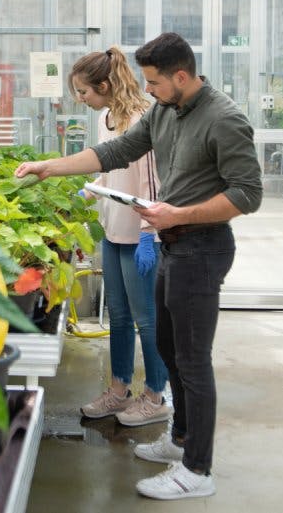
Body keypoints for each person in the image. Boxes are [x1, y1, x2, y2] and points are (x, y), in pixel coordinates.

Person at [15, 32, 262, 501]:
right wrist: (49, 165)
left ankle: (197, 470)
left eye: (154, 82)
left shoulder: (224, 119)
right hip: (173, 244)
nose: (147, 90)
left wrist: (178, 215)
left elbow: (248, 194)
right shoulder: (167, 112)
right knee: (169, 350)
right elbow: (115, 152)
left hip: (202, 247)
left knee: (192, 360)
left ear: (181, 76)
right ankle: (182, 439)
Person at [70, 46, 171, 427]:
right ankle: (118, 390)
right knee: (119, 316)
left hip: (142, 235)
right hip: (113, 231)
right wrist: (88, 190)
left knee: (148, 319)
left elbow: (151, 183)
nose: (81, 99)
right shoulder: (107, 118)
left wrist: (148, 234)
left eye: (84, 92)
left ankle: (156, 395)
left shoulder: (142, 117)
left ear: (105, 84)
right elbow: (111, 172)